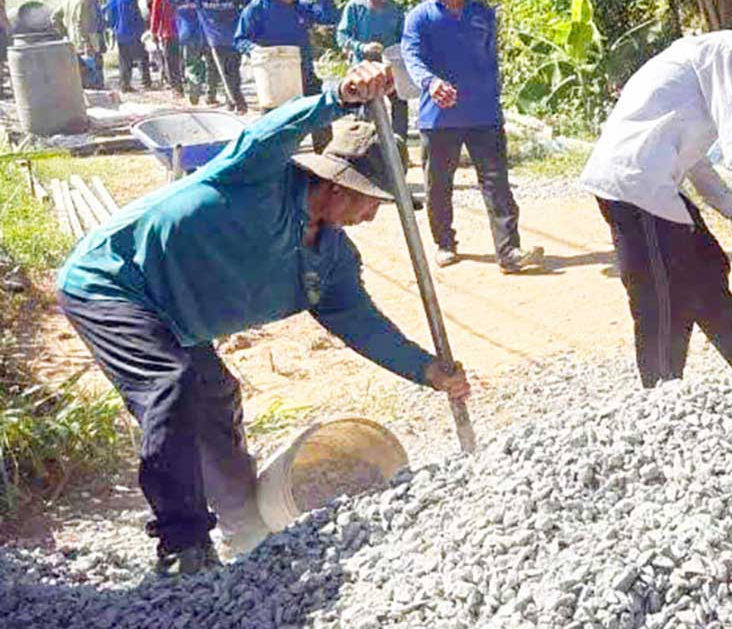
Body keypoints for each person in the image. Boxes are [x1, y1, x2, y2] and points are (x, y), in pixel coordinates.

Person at [56, 62, 470, 574]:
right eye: (373, 201)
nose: (374, 215)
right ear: (338, 186)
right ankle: (183, 545)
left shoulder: (334, 259)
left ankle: (244, 529)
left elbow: (362, 324)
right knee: (171, 385)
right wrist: (338, 95)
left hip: (176, 315)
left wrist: (427, 370)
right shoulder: (258, 176)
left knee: (215, 397)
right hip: (114, 281)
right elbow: (272, 130)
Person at [581, 7, 732, 388]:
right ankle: (661, 394)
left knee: (706, 270)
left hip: (654, 183)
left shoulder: (714, 55)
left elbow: (695, 157)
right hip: (635, 186)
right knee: (661, 297)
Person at [401, 0, 542, 274]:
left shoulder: (482, 14)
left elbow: (491, 59)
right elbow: (412, 57)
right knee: (439, 184)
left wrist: (494, 96)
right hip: (439, 116)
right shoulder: (419, 17)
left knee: (496, 182)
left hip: (484, 113)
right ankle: (444, 243)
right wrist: (431, 83)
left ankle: (509, 251)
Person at [237, 0, 338, 145]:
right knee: (273, 124)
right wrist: (256, 50)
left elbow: (329, 17)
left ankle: (326, 156)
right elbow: (240, 39)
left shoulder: (301, 5)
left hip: (303, 70)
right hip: (274, 75)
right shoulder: (258, 7)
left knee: (321, 114)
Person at [337, 0, 409, 145]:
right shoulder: (354, 7)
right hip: (364, 65)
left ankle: (399, 146)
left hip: (390, 65)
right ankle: (362, 148)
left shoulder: (394, 8)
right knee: (364, 107)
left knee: (399, 103)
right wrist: (362, 47)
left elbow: (404, 37)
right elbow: (342, 36)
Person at [190, 0, 250, 112]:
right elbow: (249, 4)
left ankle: (234, 101)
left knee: (223, 71)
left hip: (216, 38)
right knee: (232, 71)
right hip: (231, 36)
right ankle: (234, 101)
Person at [55, 0, 106, 89]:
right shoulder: (88, 0)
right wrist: (92, 45)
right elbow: (91, 26)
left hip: (73, 43)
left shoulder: (67, 0)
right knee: (95, 75)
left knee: (81, 75)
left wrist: (65, 33)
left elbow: (55, 17)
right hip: (89, 44)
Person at [101, 0, 151, 92]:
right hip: (134, 30)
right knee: (142, 56)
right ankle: (146, 82)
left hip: (119, 32)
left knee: (124, 58)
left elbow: (109, 16)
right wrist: (143, 27)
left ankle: (125, 84)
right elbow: (136, 14)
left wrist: (112, 27)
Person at [149, 0, 185, 97]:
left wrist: (153, 32)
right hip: (184, 31)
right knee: (184, 59)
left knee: (172, 61)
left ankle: (177, 88)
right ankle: (187, 84)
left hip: (168, 33)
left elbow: (155, 14)